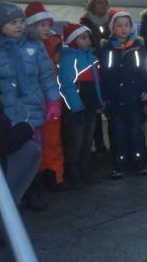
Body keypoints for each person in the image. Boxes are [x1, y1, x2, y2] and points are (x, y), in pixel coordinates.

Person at [0, 2, 61, 210]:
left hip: (32, 110)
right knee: (11, 154)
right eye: (12, 22)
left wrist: (53, 100)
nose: (18, 26)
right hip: (6, 112)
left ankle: (33, 192)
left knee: (34, 152)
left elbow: (46, 76)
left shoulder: (34, 46)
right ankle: (10, 196)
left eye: (21, 22)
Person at [97, 10, 147, 179]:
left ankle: (139, 162)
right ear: (112, 28)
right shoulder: (106, 50)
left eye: (127, 25)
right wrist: (104, 97)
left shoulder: (139, 48)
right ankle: (118, 164)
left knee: (136, 131)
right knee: (117, 133)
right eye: (119, 25)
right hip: (115, 100)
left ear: (132, 27)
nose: (123, 28)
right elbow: (102, 76)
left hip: (135, 98)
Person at [24, 2, 69, 192]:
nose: (46, 29)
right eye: (41, 25)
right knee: (34, 141)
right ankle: (35, 179)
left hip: (52, 100)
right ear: (32, 27)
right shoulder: (26, 47)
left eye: (48, 25)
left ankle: (55, 175)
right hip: (33, 101)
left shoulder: (55, 45)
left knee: (53, 139)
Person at [57, 23, 104, 188]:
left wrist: (99, 102)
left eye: (88, 37)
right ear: (72, 40)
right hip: (75, 109)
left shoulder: (91, 58)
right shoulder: (69, 58)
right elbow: (66, 85)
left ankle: (85, 170)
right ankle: (73, 173)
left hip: (90, 107)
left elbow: (96, 83)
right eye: (83, 38)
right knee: (75, 142)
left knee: (87, 141)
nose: (87, 41)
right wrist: (76, 108)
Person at [79, 0, 112, 154]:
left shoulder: (111, 22)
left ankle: (110, 142)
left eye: (104, 3)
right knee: (95, 106)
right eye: (99, 3)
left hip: (109, 66)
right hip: (92, 66)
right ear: (92, 5)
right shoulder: (85, 23)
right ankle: (97, 142)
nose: (102, 6)